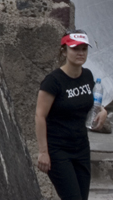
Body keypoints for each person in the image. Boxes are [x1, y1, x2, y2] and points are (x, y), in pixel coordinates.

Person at [37, 30, 108, 200]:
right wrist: (43, 152)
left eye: (84, 49)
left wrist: (103, 111)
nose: (80, 53)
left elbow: (91, 103)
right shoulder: (53, 81)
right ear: (64, 51)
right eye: (75, 49)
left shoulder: (87, 76)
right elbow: (40, 116)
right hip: (58, 150)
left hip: (81, 147)